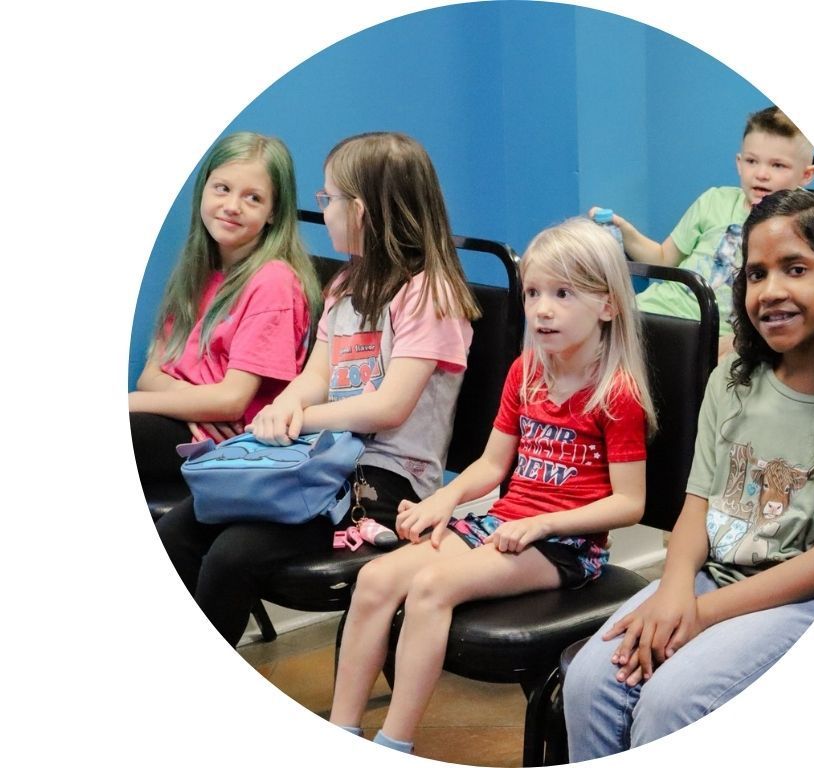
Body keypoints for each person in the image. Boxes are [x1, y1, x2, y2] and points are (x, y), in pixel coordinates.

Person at [564, 188, 814, 759]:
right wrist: (671, 593)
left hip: (800, 601)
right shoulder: (733, 381)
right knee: (591, 682)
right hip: (710, 574)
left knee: (674, 704)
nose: (771, 291)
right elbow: (699, 504)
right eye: (757, 274)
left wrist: (697, 615)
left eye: (796, 269)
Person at [328, 217, 657, 754]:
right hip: (504, 523)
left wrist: (542, 523)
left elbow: (629, 503)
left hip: (565, 545)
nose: (543, 308)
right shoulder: (525, 372)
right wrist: (444, 497)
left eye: (563, 293)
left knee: (432, 587)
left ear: (608, 304)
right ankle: (343, 734)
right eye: (533, 292)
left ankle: (395, 744)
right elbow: (491, 465)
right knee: (376, 580)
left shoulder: (617, 393)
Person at [156, 132, 479, 647]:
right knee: (179, 528)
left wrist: (301, 419)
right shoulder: (345, 286)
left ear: (366, 210)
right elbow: (316, 376)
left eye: (329, 199)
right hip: (321, 464)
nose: (322, 210)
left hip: (385, 484)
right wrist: (288, 403)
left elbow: (390, 407)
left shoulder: (430, 295)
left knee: (232, 554)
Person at [129, 131, 321, 489]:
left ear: (272, 213)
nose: (232, 205)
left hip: (224, 448)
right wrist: (202, 401)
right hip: (187, 424)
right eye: (222, 188)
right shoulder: (197, 272)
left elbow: (232, 401)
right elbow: (149, 375)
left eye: (253, 197)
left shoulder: (274, 281)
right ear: (203, 189)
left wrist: (138, 401)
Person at [591, 106, 814, 358]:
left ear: (806, 175)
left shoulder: (808, 221)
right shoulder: (714, 201)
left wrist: (744, 341)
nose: (761, 174)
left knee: (731, 361)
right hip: (656, 310)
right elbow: (663, 259)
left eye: (778, 165)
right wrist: (624, 229)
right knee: (588, 329)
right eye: (752, 161)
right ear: (739, 164)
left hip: (724, 334)